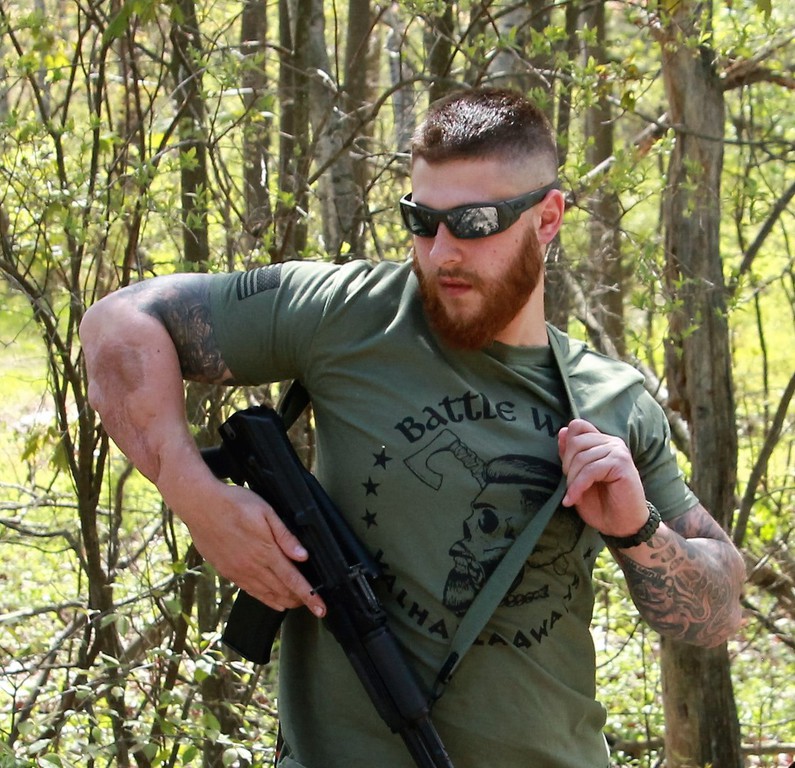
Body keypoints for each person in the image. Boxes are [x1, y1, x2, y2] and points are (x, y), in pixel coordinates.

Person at [80, 87, 745, 768]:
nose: (441, 252)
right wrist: (199, 501)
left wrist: (637, 532)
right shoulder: (346, 314)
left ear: (547, 218)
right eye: (421, 221)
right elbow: (117, 323)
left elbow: (718, 612)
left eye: (474, 222)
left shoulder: (611, 401)